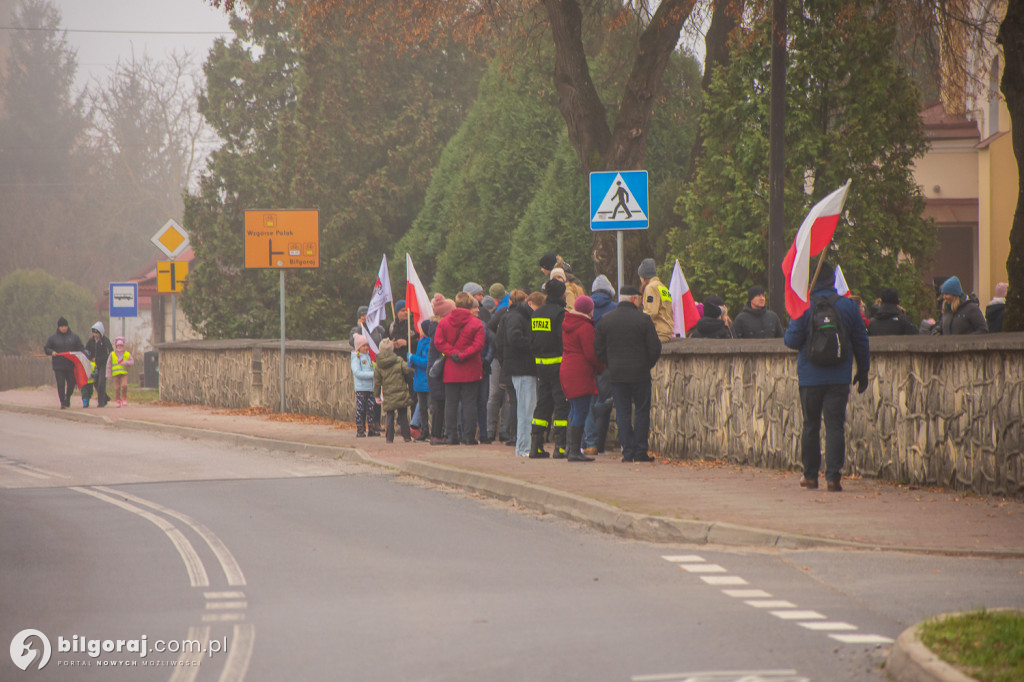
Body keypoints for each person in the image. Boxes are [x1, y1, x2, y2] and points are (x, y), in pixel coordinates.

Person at [784, 263, 870, 492]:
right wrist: (863, 372)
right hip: (839, 376)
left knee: (810, 425)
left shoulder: (804, 307)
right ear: (832, 280)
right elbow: (862, 341)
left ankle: (810, 476)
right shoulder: (849, 306)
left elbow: (791, 341)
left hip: (810, 378)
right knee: (835, 427)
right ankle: (833, 478)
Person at [594, 286, 662, 463]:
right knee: (641, 411)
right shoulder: (643, 320)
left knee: (622, 412)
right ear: (634, 299)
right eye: (639, 299)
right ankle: (640, 451)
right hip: (640, 374)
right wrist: (647, 364)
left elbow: (598, 349)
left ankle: (627, 452)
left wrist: (610, 364)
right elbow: (655, 348)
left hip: (617, 375)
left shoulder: (606, 320)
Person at [434, 291, 486, 445]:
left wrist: (453, 353)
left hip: (451, 368)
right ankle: (469, 436)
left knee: (451, 403)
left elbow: (439, 342)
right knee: (469, 403)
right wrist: (463, 354)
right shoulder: (477, 323)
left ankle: (451, 436)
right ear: (471, 305)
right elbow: (479, 345)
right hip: (471, 368)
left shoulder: (444, 322)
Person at [560, 296, 604, 462]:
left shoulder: (568, 324)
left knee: (573, 409)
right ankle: (574, 452)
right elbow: (591, 354)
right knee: (581, 410)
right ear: (588, 309)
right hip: (580, 372)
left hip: (567, 369)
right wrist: (601, 367)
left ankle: (570, 448)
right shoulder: (585, 327)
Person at [530, 279, 570, 458]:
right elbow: (563, 341)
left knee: (542, 405)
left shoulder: (537, 314)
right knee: (561, 405)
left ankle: (535, 446)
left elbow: (532, 340)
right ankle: (560, 447)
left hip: (540, 366)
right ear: (561, 294)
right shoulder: (560, 314)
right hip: (558, 365)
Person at [500, 290, 539, 456]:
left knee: (526, 408)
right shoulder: (518, 317)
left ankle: (524, 446)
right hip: (522, 367)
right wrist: (533, 343)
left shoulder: (512, 316)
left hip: (518, 367)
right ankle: (523, 447)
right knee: (526, 409)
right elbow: (514, 338)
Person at [582, 275, 617, 456]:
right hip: (609, 362)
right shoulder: (615, 309)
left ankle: (589, 442)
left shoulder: (585, 309)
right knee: (605, 401)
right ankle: (600, 444)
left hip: (587, 362)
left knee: (587, 402)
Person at [426, 295, 455, 445]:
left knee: (439, 404)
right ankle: (436, 435)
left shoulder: (435, 327)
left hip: (434, 372)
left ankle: (437, 434)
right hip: (437, 373)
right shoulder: (439, 329)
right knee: (439, 405)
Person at [373, 339, 414, 443]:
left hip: (388, 394)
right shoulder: (399, 360)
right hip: (401, 392)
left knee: (390, 416)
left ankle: (389, 438)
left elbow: (377, 382)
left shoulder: (379, 365)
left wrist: (377, 395)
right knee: (403, 415)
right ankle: (407, 436)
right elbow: (408, 370)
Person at [44, 317, 84, 409]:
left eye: (65, 326)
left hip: (71, 365)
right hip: (59, 366)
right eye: (62, 326)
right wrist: (51, 352)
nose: (64, 328)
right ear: (58, 327)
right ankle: (62, 401)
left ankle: (67, 397)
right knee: (61, 384)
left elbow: (81, 348)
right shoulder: (53, 338)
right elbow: (47, 348)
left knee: (71, 384)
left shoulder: (74, 337)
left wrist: (81, 354)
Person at [407, 320, 433, 441]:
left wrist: (413, 357)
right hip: (419, 381)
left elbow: (426, 362)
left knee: (430, 408)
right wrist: (411, 361)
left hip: (426, 382)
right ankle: (424, 430)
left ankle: (433, 430)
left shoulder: (429, 344)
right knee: (422, 408)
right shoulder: (421, 342)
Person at [637, 258, 675, 342]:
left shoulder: (651, 288)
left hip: (658, 333)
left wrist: (639, 324)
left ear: (644, 277)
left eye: (640, 277)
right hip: (667, 332)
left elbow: (651, 312)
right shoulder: (662, 287)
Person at [350, 333, 379, 437]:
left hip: (370, 388)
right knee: (361, 409)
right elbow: (357, 373)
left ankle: (371, 428)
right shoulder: (356, 358)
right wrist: (372, 374)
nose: (366, 348)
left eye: (367, 345)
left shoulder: (369, 357)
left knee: (371, 409)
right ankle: (360, 429)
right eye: (363, 346)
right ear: (358, 347)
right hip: (361, 388)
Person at [84, 321, 113, 407]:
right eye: (94, 332)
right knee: (95, 383)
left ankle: (101, 402)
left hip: (103, 364)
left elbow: (110, 353)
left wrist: (99, 359)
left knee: (101, 383)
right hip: (94, 365)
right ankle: (105, 398)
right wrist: (90, 358)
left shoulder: (105, 341)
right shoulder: (91, 341)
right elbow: (86, 351)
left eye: (97, 333)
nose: (95, 335)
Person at [109, 337, 135, 406]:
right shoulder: (112, 354)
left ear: (123, 346)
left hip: (124, 373)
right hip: (115, 374)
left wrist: (125, 362)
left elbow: (132, 362)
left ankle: (124, 398)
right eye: (118, 346)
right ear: (116, 346)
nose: (120, 347)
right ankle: (118, 400)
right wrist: (108, 374)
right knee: (117, 387)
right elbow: (108, 364)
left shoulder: (126, 354)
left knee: (124, 385)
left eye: (121, 345)